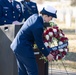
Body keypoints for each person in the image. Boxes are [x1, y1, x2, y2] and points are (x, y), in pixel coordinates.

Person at [10, 5, 57, 75]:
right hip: (24, 48)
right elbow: (39, 43)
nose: (51, 19)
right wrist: (47, 54)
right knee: (33, 71)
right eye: (51, 17)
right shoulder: (38, 26)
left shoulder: (35, 16)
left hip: (17, 46)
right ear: (46, 16)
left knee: (23, 72)